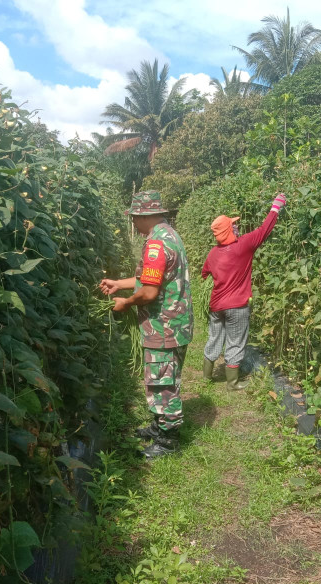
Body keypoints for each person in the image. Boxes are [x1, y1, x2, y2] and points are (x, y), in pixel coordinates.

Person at [100, 190, 193, 458]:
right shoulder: (169, 235)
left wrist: (125, 302)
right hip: (176, 321)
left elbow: (149, 293)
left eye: (133, 218)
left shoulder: (155, 244)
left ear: (143, 216)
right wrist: (120, 283)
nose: (132, 223)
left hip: (163, 325)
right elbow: (150, 279)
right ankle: (158, 425)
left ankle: (168, 441)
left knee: (163, 382)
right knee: (164, 377)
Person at [201, 192, 286, 390]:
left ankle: (206, 377)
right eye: (233, 226)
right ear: (230, 230)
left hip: (216, 306)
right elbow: (264, 230)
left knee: (214, 338)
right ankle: (232, 383)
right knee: (236, 341)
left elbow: (205, 274)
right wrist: (275, 208)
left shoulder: (213, 253)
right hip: (237, 306)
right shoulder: (244, 246)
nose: (236, 227)